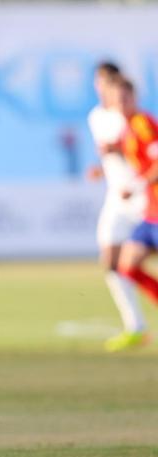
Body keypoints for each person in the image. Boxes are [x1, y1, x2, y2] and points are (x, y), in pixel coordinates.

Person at [85, 62, 148, 352]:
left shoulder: (134, 118)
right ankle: (135, 325)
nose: (103, 89)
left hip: (143, 196)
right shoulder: (97, 117)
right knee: (112, 260)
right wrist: (103, 168)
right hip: (118, 196)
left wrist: (121, 155)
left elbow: (144, 152)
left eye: (108, 83)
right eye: (100, 83)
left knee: (132, 260)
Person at [108, 75, 155, 351]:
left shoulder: (143, 124)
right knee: (127, 265)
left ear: (134, 98)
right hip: (150, 213)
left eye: (126, 97)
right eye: (117, 99)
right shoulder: (126, 130)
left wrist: (136, 186)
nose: (122, 103)